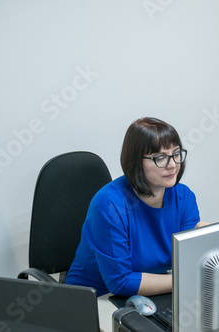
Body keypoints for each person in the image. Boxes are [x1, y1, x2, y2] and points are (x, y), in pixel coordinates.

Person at [66, 117, 206, 297]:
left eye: (176, 154)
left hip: (150, 291)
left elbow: (186, 262)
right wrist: (184, 279)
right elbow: (121, 282)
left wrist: (205, 245)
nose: (172, 165)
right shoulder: (109, 205)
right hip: (97, 298)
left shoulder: (184, 196)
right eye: (160, 157)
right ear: (136, 162)